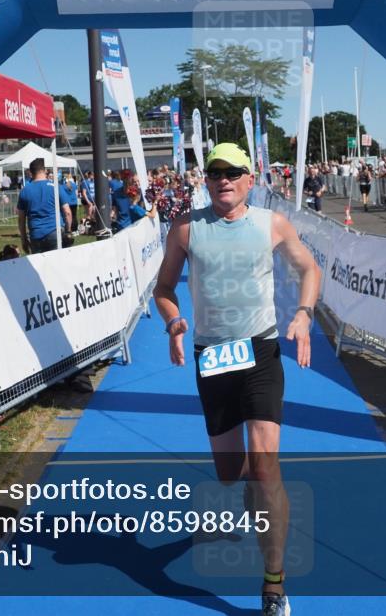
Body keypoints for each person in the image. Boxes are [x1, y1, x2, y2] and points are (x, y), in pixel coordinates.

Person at [153, 143, 320, 616]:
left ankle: (273, 584)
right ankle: (256, 489)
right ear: (205, 180)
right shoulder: (186, 229)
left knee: (266, 470)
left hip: (261, 353)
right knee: (232, 475)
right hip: (214, 358)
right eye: (215, 172)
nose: (224, 179)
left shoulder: (271, 224)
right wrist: (173, 322)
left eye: (234, 172)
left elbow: (309, 268)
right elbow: (163, 288)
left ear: (251, 179)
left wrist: (304, 314)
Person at [16, 158, 71, 254]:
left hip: (36, 234)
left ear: (31, 172)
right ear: (45, 170)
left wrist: (24, 239)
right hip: (55, 232)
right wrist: (68, 231)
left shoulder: (25, 190)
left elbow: (21, 219)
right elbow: (67, 212)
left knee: (39, 266)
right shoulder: (55, 186)